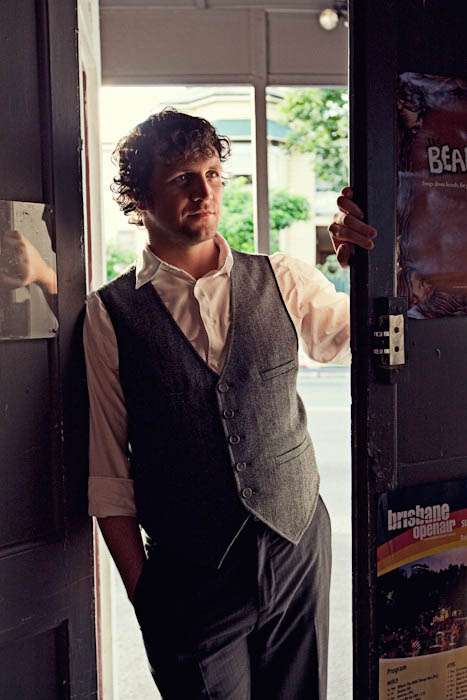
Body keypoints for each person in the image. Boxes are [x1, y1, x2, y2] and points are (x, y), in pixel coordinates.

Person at [84, 109, 376, 699]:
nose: (205, 192)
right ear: (140, 197)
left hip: (296, 547)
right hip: (190, 576)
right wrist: (147, 598)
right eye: (182, 178)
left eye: (213, 173)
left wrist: (374, 261)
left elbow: (366, 341)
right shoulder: (109, 313)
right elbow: (109, 473)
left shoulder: (283, 277)